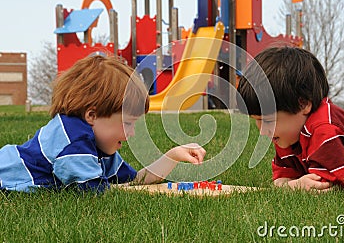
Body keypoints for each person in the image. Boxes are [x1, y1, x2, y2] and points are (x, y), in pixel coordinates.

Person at [0, 55, 206, 193]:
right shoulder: (74, 140)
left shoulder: (98, 145)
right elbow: (94, 190)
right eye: (127, 124)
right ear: (92, 116)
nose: (131, 134)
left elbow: (134, 181)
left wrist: (172, 155)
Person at [237, 46, 344, 191]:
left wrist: (296, 185)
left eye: (268, 121)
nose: (263, 131)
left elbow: (327, 186)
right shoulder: (285, 134)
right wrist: (291, 184)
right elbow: (282, 178)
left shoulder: (324, 130)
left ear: (303, 105)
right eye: (256, 120)